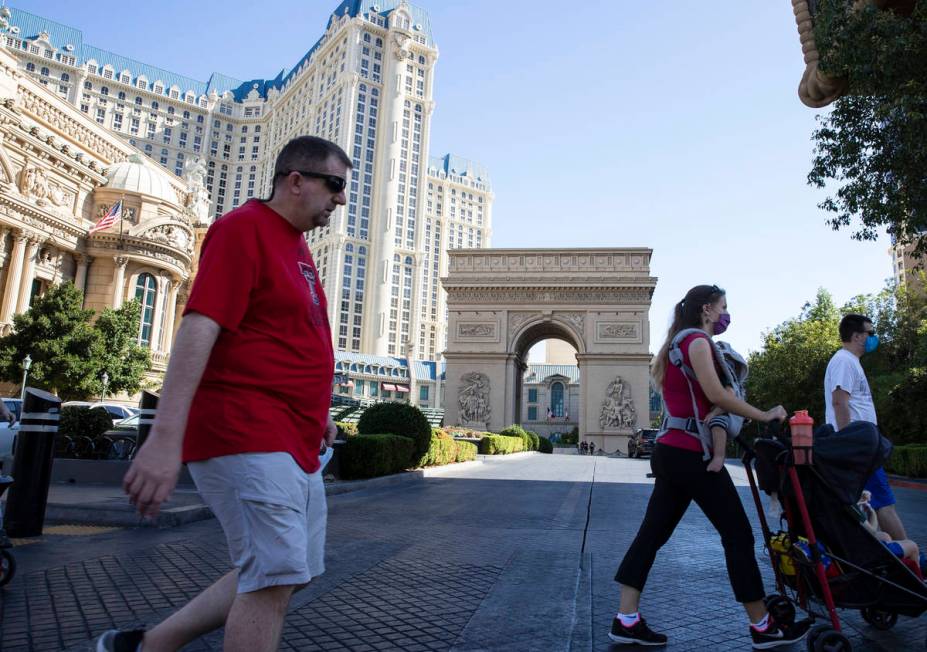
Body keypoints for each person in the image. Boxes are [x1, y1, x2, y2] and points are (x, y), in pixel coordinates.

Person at [96, 136, 350, 652]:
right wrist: (165, 440)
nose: (341, 200)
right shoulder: (242, 230)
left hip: (292, 436)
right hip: (244, 430)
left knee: (290, 571)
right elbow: (198, 328)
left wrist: (317, 410)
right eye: (335, 185)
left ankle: (149, 645)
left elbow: (288, 339)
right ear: (295, 180)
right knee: (275, 573)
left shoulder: (298, 249)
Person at [611, 284, 811, 648]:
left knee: (652, 535)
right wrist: (765, 415)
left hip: (671, 450)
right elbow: (718, 396)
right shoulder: (697, 343)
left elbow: (698, 402)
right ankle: (762, 626)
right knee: (737, 535)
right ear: (707, 310)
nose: (725, 314)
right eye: (723, 307)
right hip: (692, 455)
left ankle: (626, 618)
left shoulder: (675, 345)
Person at [824, 314, 907, 541]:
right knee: (883, 503)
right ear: (857, 336)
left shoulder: (850, 362)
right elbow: (839, 401)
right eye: (870, 333)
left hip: (860, 447)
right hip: (859, 449)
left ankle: (896, 556)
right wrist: (851, 444)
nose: (874, 337)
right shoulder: (844, 361)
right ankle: (912, 563)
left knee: (871, 504)